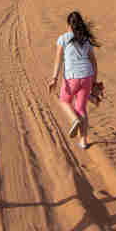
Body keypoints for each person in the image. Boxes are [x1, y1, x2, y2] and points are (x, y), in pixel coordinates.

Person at [47, 10, 99, 150]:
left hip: (72, 78)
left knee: (64, 101)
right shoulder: (86, 39)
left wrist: (54, 78)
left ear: (68, 24)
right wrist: (94, 82)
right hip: (87, 76)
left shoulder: (63, 38)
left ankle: (74, 119)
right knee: (81, 108)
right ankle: (83, 141)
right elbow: (94, 62)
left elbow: (58, 60)